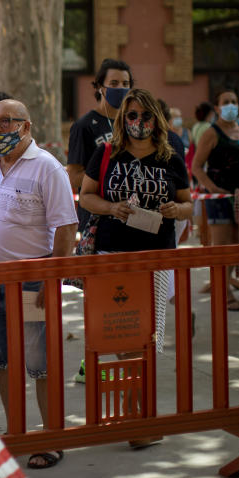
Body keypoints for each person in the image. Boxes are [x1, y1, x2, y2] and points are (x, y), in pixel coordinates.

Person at [0, 98, 78, 470]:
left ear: (26, 127)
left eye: (5, 122)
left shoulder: (47, 168)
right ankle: (16, 432)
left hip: (32, 283)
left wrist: (51, 280)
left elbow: (66, 227)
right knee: (1, 360)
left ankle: (51, 436)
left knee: (39, 362)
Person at [78, 88, 193, 343]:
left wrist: (177, 209)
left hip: (156, 256)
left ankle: (139, 382)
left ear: (156, 119)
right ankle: (129, 380)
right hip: (112, 252)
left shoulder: (171, 158)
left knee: (147, 333)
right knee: (118, 329)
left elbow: (188, 204)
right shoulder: (107, 152)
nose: (139, 121)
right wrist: (111, 207)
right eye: (132, 115)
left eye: (146, 114)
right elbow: (86, 196)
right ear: (122, 119)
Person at [191, 90, 239, 313]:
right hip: (220, 197)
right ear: (217, 108)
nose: (231, 105)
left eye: (234, 101)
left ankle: (222, 282)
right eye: (226, 102)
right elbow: (196, 166)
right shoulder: (211, 133)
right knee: (223, 247)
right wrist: (212, 188)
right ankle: (223, 292)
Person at [67, 59, 134, 232]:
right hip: (96, 220)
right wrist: (111, 176)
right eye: (114, 83)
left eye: (125, 83)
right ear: (99, 87)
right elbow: (74, 176)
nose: (120, 88)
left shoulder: (135, 123)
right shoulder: (84, 126)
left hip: (132, 215)